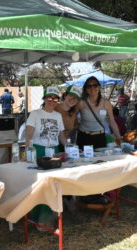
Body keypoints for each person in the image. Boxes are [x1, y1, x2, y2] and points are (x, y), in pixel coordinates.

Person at [26, 86, 66, 229]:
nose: (52, 101)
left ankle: (47, 218)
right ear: (44, 99)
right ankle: (38, 219)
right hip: (39, 151)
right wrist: (28, 150)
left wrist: (68, 146)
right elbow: (29, 133)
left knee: (53, 185)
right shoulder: (35, 114)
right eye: (49, 97)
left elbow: (61, 135)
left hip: (53, 152)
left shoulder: (58, 115)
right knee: (41, 186)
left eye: (55, 98)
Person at [77, 76, 122, 150]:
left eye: (95, 85)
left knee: (101, 160)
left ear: (99, 87)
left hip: (100, 137)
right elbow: (72, 118)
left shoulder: (106, 103)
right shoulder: (81, 103)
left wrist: (119, 137)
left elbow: (112, 121)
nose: (92, 88)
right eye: (89, 86)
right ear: (86, 89)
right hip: (84, 137)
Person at [54, 85, 82, 150]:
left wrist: (73, 146)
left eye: (76, 98)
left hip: (64, 145)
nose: (73, 99)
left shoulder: (73, 113)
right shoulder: (54, 107)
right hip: (52, 145)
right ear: (65, 95)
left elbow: (73, 131)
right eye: (71, 95)